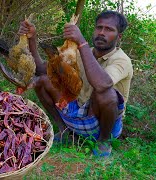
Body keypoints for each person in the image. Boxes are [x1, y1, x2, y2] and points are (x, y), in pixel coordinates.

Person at [18, 10, 133, 157]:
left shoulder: (121, 60)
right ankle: (65, 132)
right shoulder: (80, 53)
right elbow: (41, 69)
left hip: (103, 124)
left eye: (109, 29)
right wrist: (32, 38)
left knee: (107, 93)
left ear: (119, 37)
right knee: (42, 81)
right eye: (99, 27)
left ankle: (103, 142)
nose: (102, 33)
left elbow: (102, 85)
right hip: (78, 112)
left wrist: (82, 42)